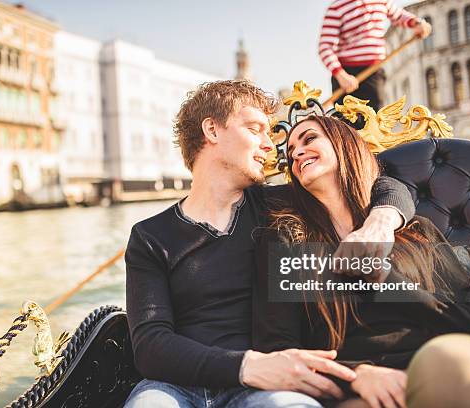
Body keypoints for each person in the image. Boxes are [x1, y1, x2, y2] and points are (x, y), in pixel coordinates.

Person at [124, 80, 416, 407]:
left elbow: (387, 184)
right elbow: (151, 345)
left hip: (269, 387)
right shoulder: (149, 236)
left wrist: (382, 222)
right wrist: (247, 366)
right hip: (175, 387)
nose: (270, 145)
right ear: (212, 130)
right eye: (255, 129)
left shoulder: (281, 205)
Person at [253, 114, 470, 408]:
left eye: (309, 138)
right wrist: (358, 375)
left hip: (436, 363)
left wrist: (385, 280)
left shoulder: (417, 232)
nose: (297, 153)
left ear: (345, 145)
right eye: (290, 152)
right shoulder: (288, 240)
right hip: (355, 387)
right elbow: (278, 347)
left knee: (459, 371)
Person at [319, 0, 432, 111]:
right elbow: (325, 47)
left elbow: (398, 15)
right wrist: (340, 75)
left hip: (374, 72)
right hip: (346, 75)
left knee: (375, 119)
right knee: (344, 124)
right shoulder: (336, 8)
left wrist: (416, 23)